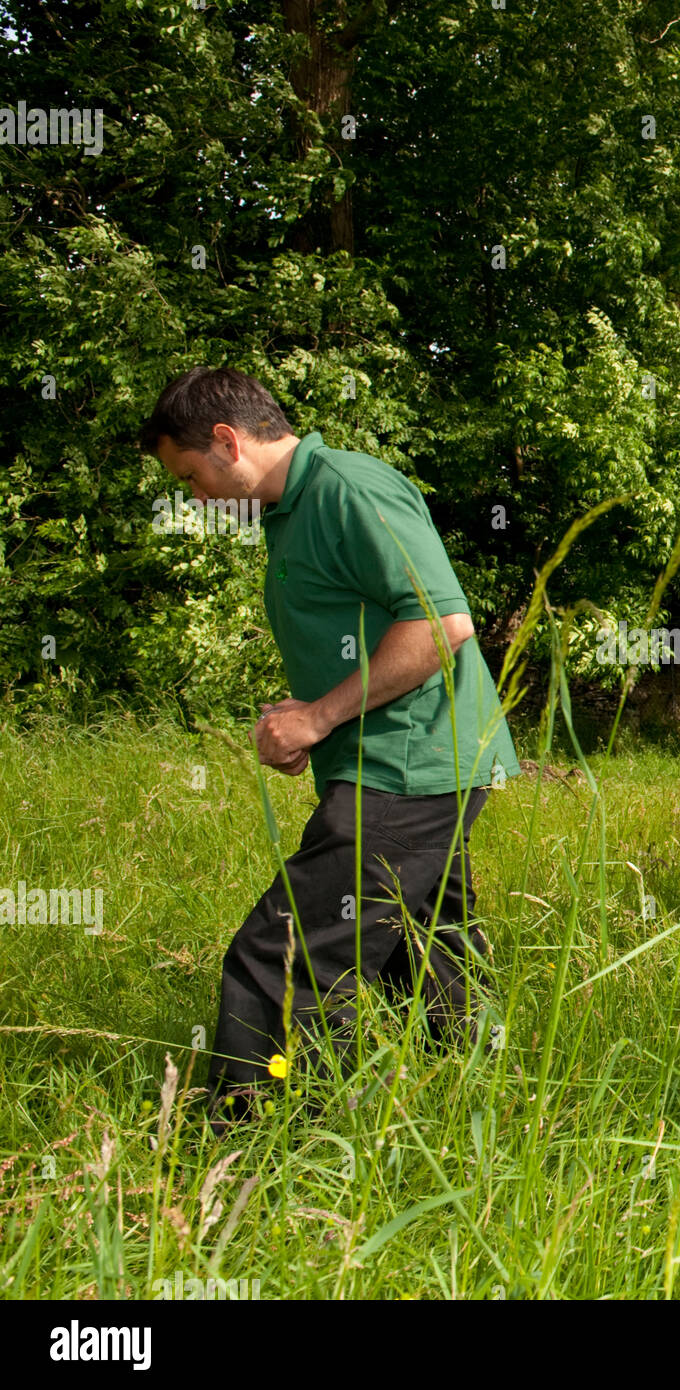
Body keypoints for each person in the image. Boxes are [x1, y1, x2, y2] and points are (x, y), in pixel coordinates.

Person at [139, 367, 520, 1130]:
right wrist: (313, 714)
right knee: (424, 946)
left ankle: (246, 1140)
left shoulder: (349, 488)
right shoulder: (292, 509)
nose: (196, 500)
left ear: (226, 441)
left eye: (191, 477)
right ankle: (477, 1107)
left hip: (409, 766)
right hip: (401, 760)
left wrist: (317, 718)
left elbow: (440, 628)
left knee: (280, 952)